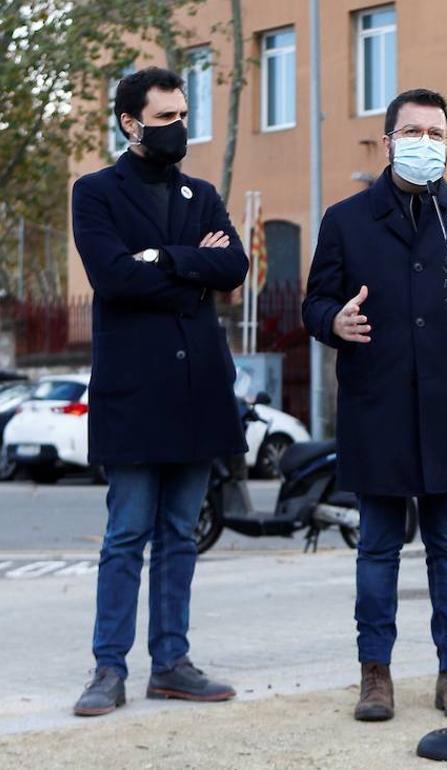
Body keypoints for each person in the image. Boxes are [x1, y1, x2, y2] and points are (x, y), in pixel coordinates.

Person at [302, 88, 447, 722]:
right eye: (413, 131)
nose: (426, 141)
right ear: (389, 139)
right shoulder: (346, 219)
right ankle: (376, 675)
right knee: (376, 547)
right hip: (377, 406)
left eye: (436, 132)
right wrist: (332, 322)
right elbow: (315, 303)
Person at [70, 67, 249, 717]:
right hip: (135, 394)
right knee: (126, 534)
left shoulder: (201, 194)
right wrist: (190, 265)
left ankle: (170, 662)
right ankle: (107, 668)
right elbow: (112, 278)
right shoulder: (95, 193)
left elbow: (234, 266)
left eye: (183, 115)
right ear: (130, 122)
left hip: (200, 389)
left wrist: (162, 259)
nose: (180, 128)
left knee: (181, 532)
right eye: (167, 117)